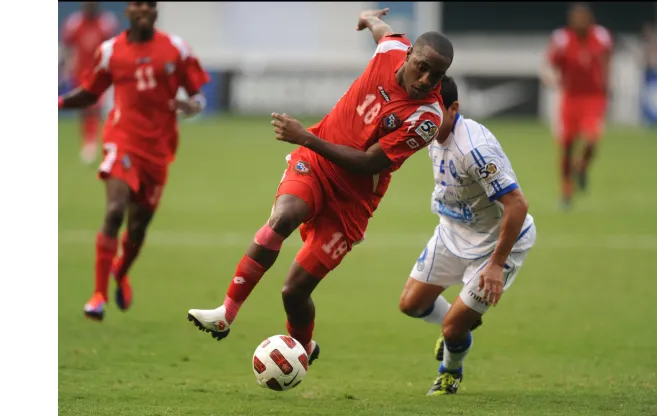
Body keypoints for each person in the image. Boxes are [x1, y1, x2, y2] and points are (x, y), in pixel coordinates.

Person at [186, 9, 454, 367]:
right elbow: (383, 30)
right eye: (421, 67)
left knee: (294, 291)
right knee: (285, 217)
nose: (426, 79)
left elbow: (368, 163)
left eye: (437, 75)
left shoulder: (427, 118)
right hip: (314, 168)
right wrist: (367, 17)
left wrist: (306, 138)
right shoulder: (392, 48)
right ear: (408, 55)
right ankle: (226, 312)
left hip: (353, 201)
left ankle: (302, 351)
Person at [58, 1, 210, 321]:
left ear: (156, 11)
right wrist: (57, 102)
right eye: (137, 4)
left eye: (149, 5)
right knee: (115, 211)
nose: (143, 10)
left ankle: (121, 272)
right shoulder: (110, 51)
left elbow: (198, 96)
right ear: (127, 10)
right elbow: (89, 92)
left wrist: (190, 105)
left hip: (158, 148)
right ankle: (97, 294)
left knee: (138, 227)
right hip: (121, 139)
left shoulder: (177, 50)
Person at [397, 75, 536, 395]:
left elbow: (517, 205)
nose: (424, 118)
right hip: (452, 232)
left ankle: (451, 370)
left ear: (454, 108)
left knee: (451, 329)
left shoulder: (474, 149)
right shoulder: (430, 128)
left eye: (432, 109)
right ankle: (459, 325)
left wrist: (497, 265)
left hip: (496, 244)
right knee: (411, 304)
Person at [541, 3, 612, 209]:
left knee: (591, 140)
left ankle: (581, 167)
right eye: (575, 17)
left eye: (583, 17)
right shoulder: (562, 39)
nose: (579, 21)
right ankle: (566, 191)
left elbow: (607, 59)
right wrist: (550, 78)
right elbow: (549, 63)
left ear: (590, 18)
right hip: (570, 98)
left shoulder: (601, 37)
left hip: (594, 98)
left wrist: (608, 82)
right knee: (567, 145)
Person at [60, 2, 120, 164]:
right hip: (80, 73)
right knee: (85, 108)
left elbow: (115, 46)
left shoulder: (106, 22)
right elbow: (66, 45)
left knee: (97, 107)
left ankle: (95, 143)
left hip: (100, 72)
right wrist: (66, 67)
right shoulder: (74, 23)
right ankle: (89, 142)